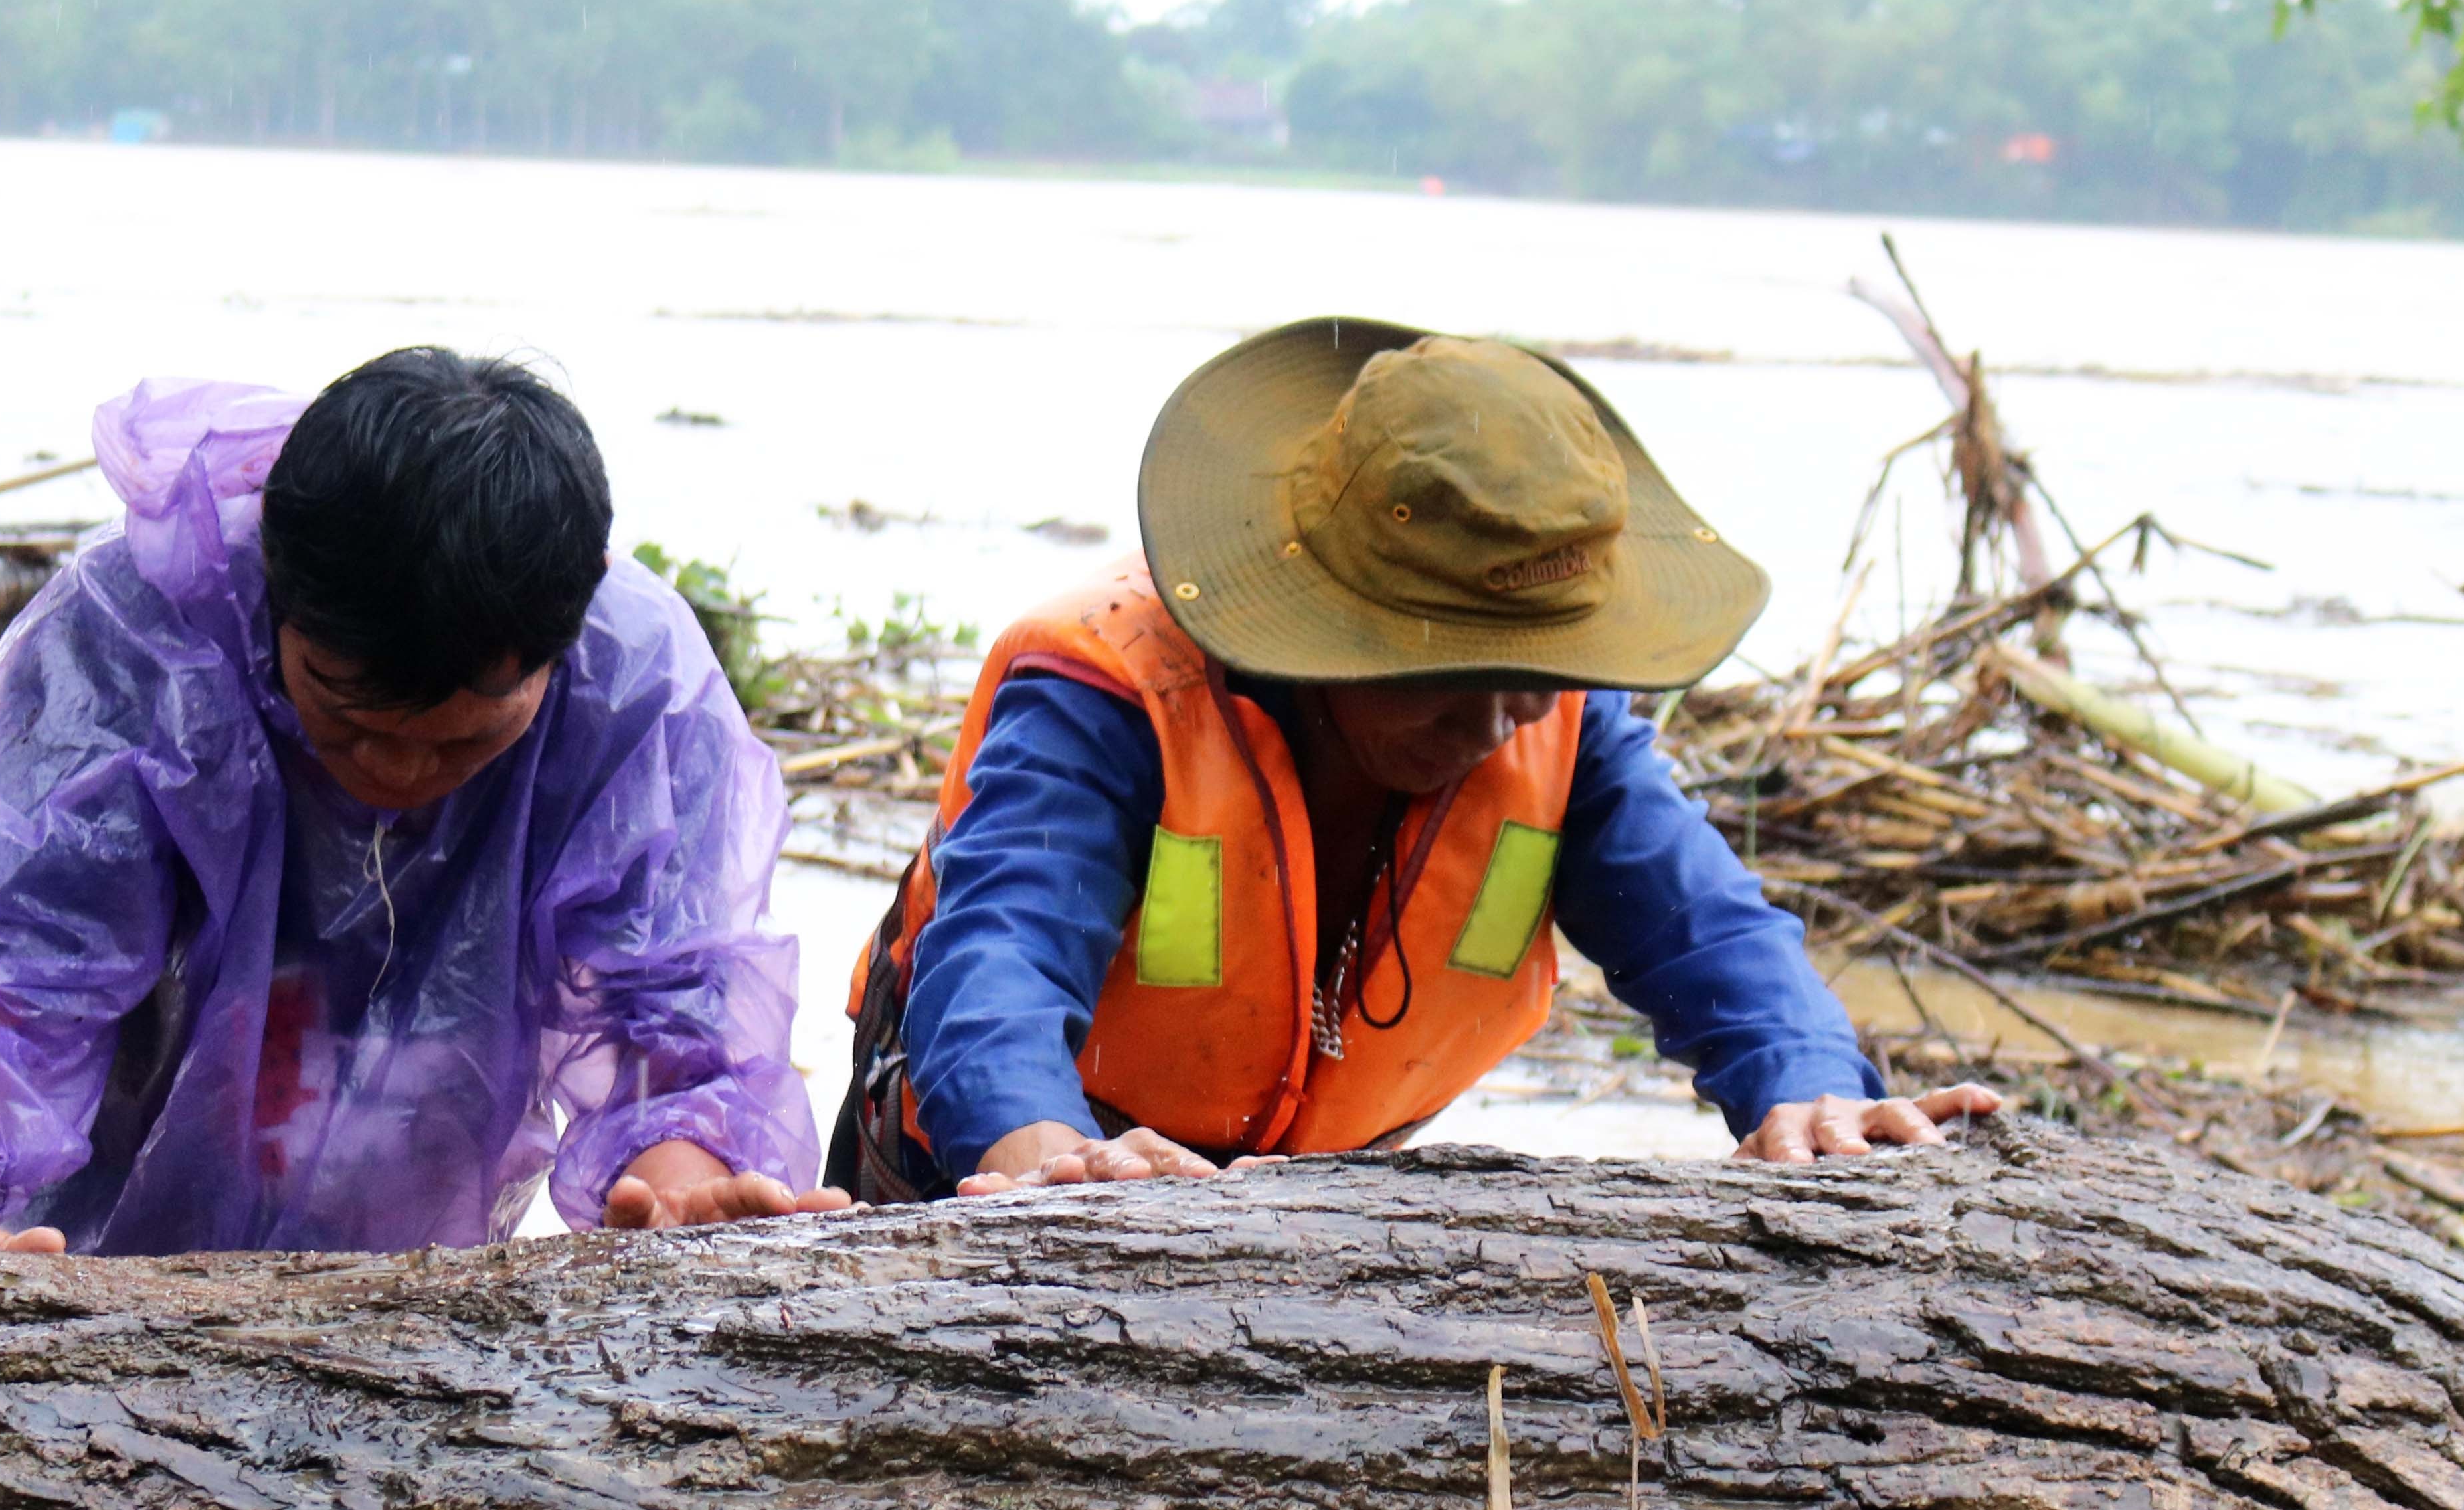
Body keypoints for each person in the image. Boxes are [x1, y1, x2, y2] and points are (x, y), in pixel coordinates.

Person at [832, 318, 1996, 1201]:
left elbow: (1710, 932)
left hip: (1312, 1213)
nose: (1499, 719)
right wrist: (1045, 1153)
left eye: (1534, 671)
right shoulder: (1114, 690)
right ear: (1330, 623)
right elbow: (999, 957)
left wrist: (1810, 1090)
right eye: (1451, 667)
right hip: (985, 1178)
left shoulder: (1567, 727)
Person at [0, 352, 845, 1256]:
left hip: (413, 1268)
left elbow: (668, 1014)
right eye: (349, 722)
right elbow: (0, 980)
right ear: (279, 600)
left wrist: (679, 1199)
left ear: (557, 648)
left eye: (463, 741)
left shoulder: (635, 691)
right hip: (78, 1245)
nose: (398, 775)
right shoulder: (137, 637)